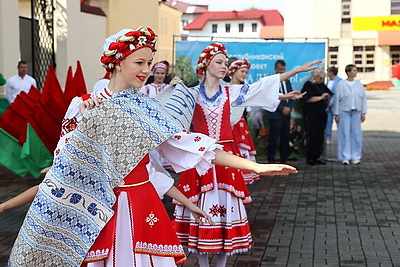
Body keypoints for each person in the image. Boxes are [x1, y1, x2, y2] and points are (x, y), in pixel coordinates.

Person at [8, 27, 298, 267]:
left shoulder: (148, 109)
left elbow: (194, 145)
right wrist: (86, 118)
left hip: (142, 203)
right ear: (117, 62)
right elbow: (64, 169)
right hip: (100, 208)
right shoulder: (83, 105)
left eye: (149, 63)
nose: (146, 70)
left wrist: (256, 166)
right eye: (139, 62)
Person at [172, 42, 321, 267]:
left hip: (226, 159)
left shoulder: (231, 92)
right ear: (205, 64)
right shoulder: (192, 94)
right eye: (219, 62)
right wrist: (173, 88)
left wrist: (297, 70)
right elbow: (169, 113)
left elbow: (263, 85)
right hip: (199, 158)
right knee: (199, 210)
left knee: (225, 212)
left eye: (226, 63)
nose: (224, 66)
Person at [228, 59, 260, 183]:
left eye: (246, 72)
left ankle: (242, 173)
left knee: (240, 146)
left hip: (239, 123)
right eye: (242, 71)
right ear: (233, 71)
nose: (244, 75)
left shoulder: (244, 88)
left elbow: (258, 95)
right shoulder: (224, 87)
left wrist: (284, 96)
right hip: (226, 124)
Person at [333, 64, 367, 165]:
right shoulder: (341, 84)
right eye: (354, 70)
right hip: (344, 112)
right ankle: (345, 156)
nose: (355, 72)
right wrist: (336, 113)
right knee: (344, 134)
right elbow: (337, 99)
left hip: (356, 112)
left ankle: (356, 156)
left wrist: (363, 112)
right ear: (348, 72)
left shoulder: (358, 84)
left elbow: (364, 98)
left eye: (356, 70)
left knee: (356, 134)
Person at [301, 69, 333, 165]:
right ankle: (310, 157)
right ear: (315, 77)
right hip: (311, 115)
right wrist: (321, 97)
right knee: (312, 136)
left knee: (319, 136)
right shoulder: (308, 85)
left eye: (323, 78)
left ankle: (317, 156)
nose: (321, 80)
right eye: (320, 78)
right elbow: (308, 99)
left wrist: (328, 98)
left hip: (322, 114)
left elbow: (329, 93)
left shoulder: (322, 85)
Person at [266, 60, 294, 165]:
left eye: (283, 69)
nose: (282, 71)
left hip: (286, 115)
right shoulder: (271, 82)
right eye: (280, 69)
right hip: (276, 114)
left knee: (285, 137)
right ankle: (271, 159)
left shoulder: (287, 81)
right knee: (274, 137)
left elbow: (291, 96)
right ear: (275, 69)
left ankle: (284, 159)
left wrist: (289, 108)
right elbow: (270, 98)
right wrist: (282, 109)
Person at [325, 66, 342, 144]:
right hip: (328, 105)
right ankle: (328, 137)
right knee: (328, 122)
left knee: (339, 121)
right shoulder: (328, 81)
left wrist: (332, 101)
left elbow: (337, 94)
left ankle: (341, 138)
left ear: (331, 73)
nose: (327, 74)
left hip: (337, 105)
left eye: (328, 72)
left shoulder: (339, 81)